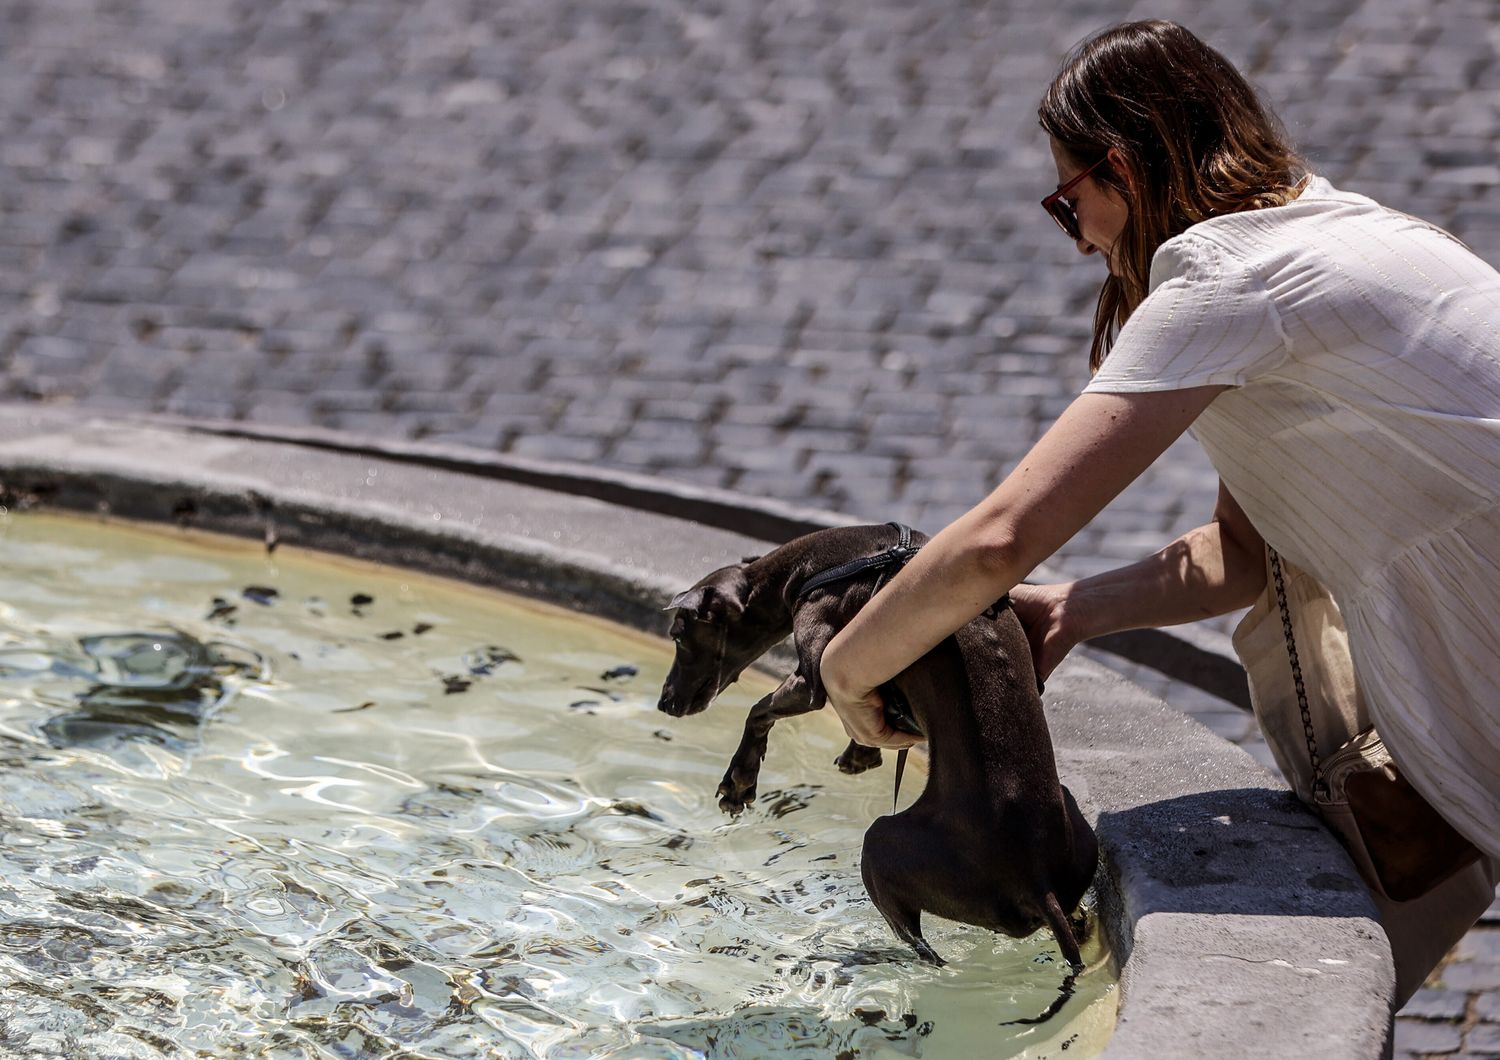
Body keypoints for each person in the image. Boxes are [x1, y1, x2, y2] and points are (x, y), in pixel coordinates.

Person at [817, 18, 1500, 1004]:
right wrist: (1076, 609)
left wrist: (849, 666)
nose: (1082, 238)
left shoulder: (1230, 280)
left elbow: (1000, 537)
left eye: (1070, 203)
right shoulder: (1338, 232)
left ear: (1125, 171)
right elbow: (1237, 552)